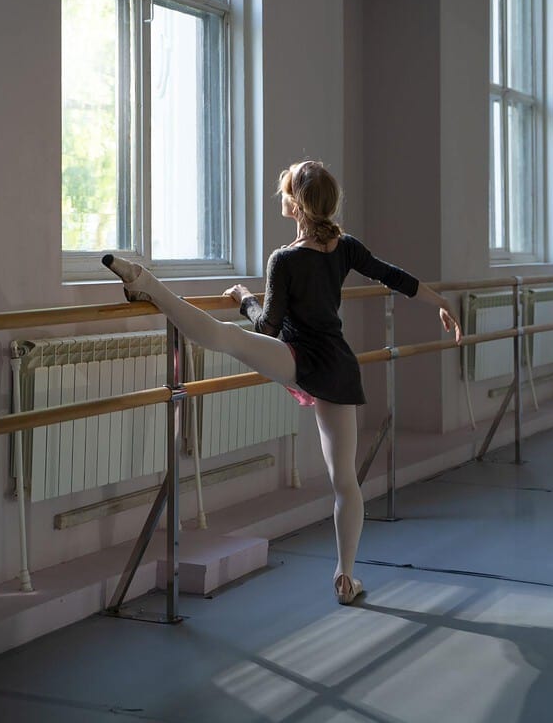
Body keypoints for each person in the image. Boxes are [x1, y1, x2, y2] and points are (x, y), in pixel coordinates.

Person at [103, 159, 462, 605]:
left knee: (225, 338)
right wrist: (440, 301)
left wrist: (244, 299)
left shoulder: (285, 259)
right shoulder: (345, 247)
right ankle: (346, 577)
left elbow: (266, 329)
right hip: (336, 367)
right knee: (345, 481)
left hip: (297, 358)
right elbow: (394, 276)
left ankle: (147, 285)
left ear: (295, 203)